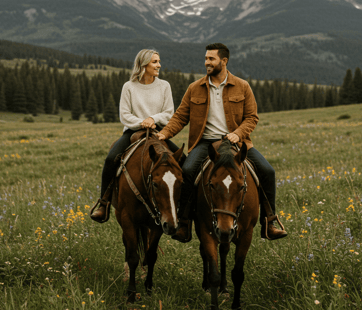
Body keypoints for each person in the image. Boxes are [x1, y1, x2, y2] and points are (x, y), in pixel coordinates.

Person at [157, 43, 287, 242]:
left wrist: (238, 134)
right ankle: (184, 224)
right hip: (205, 144)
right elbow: (180, 117)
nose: (206, 62)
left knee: (267, 171)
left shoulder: (242, 86)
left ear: (224, 61)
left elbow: (252, 117)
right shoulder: (195, 88)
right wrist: (164, 134)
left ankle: (269, 222)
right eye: (206, 58)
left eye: (211, 59)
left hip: (235, 143)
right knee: (188, 171)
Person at [91, 49, 181, 222]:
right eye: (155, 62)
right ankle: (103, 203)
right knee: (111, 159)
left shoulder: (164, 86)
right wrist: (141, 123)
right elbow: (124, 115)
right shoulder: (129, 87)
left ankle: (182, 211)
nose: (159, 65)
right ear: (143, 64)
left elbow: (169, 113)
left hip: (158, 133)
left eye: (159, 61)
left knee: (181, 161)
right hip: (133, 131)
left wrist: (152, 119)